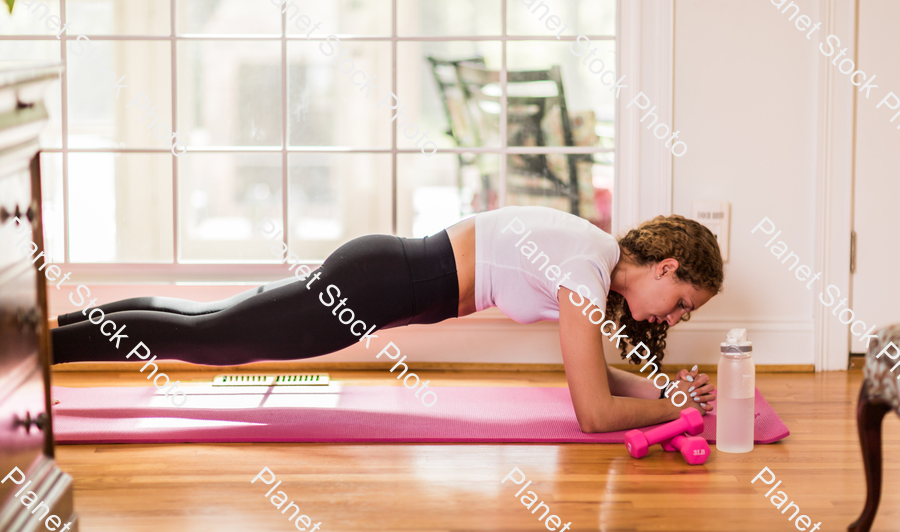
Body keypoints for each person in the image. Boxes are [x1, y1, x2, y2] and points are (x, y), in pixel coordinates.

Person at [50, 205, 724, 433]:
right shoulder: (586, 270)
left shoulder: (593, 257)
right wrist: (677, 415)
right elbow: (593, 413)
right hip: (378, 285)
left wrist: (661, 392)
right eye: (684, 303)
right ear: (665, 266)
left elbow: (594, 380)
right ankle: (39, 349)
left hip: (381, 275)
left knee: (210, 322)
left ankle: (43, 340)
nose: (677, 317)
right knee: (213, 338)